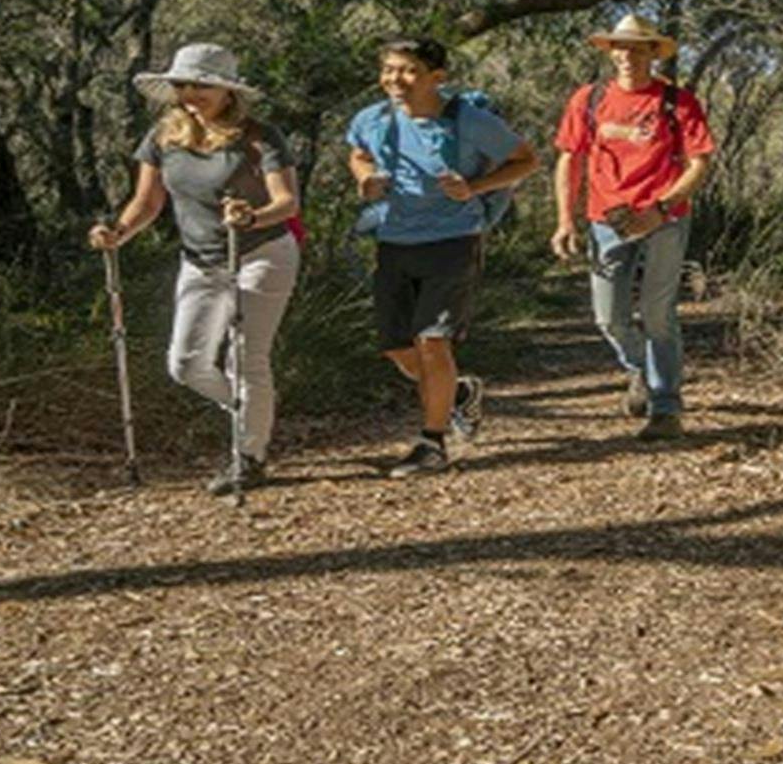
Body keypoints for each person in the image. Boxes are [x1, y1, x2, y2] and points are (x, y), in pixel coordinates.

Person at [87, 43, 301, 495]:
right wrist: (116, 234)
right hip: (201, 259)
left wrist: (250, 216)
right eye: (183, 84)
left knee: (247, 357)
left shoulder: (260, 137)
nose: (190, 93)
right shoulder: (164, 137)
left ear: (227, 91)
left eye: (202, 85)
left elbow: (287, 203)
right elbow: (147, 203)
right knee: (185, 364)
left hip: (262, 253)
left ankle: (249, 454)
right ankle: (252, 414)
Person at [347, 35, 539, 478]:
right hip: (394, 240)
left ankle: (431, 444)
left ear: (437, 77)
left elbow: (526, 160)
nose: (396, 79)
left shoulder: (469, 121)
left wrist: (473, 188)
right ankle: (457, 394)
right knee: (397, 347)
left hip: (454, 239)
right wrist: (366, 179)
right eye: (389, 69)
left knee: (433, 340)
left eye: (409, 70)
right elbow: (358, 153)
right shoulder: (373, 119)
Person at [550, 13, 716, 439]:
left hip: (664, 219)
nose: (627, 56)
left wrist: (661, 208)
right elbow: (571, 158)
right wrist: (565, 219)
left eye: (637, 48)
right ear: (611, 53)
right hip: (606, 220)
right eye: (620, 47)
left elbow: (699, 164)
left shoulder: (677, 103)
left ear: (652, 54)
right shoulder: (589, 100)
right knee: (610, 318)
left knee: (658, 313)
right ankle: (641, 367)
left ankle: (665, 408)